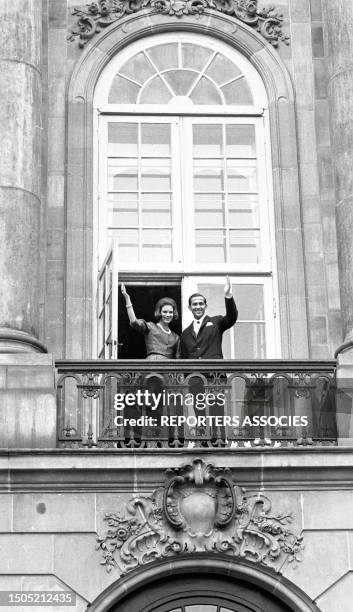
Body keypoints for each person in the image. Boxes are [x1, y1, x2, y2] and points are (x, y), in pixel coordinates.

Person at [180, 276, 237, 359]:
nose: (198, 306)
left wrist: (228, 295)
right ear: (190, 308)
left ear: (205, 306)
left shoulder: (216, 322)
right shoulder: (186, 333)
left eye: (201, 304)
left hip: (213, 370)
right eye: (195, 304)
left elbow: (231, 318)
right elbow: (184, 357)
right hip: (194, 371)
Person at [121, 284, 180, 360]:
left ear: (174, 313)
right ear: (159, 312)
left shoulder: (176, 337)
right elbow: (134, 322)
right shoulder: (150, 326)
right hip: (152, 365)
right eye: (165, 312)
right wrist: (127, 298)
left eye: (170, 312)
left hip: (168, 369)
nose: (168, 315)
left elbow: (178, 358)